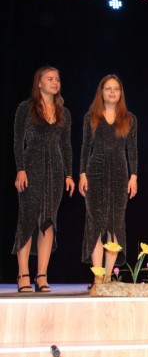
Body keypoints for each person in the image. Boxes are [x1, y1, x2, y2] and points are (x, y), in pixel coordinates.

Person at [13, 66, 74, 293]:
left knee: (48, 222)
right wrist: (20, 169)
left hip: (55, 171)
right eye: (50, 78)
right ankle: (23, 274)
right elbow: (18, 141)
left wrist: (69, 174)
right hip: (32, 167)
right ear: (39, 83)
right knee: (28, 220)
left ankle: (41, 275)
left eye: (57, 79)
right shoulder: (25, 108)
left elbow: (66, 145)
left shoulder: (63, 112)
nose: (55, 82)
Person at [79, 75, 138, 288]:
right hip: (95, 173)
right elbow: (85, 147)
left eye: (116, 89)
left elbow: (133, 150)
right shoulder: (91, 117)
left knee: (115, 224)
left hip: (120, 174)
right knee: (95, 224)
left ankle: (107, 278)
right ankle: (97, 277)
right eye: (108, 88)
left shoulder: (129, 119)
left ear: (121, 93)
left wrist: (134, 176)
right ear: (101, 92)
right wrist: (82, 174)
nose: (112, 92)